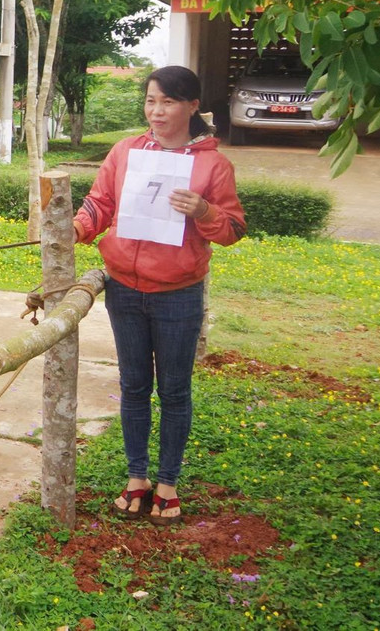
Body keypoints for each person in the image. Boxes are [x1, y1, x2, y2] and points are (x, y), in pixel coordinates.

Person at [74, 65, 246, 526]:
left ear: (192, 106)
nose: (157, 111)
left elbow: (233, 230)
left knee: (173, 390)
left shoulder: (213, 165)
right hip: (125, 291)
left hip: (178, 296)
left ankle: (167, 482)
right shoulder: (126, 151)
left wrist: (204, 210)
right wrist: (78, 227)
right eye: (151, 101)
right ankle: (136, 478)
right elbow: (100, 201)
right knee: (133, 386)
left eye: (167, 102)